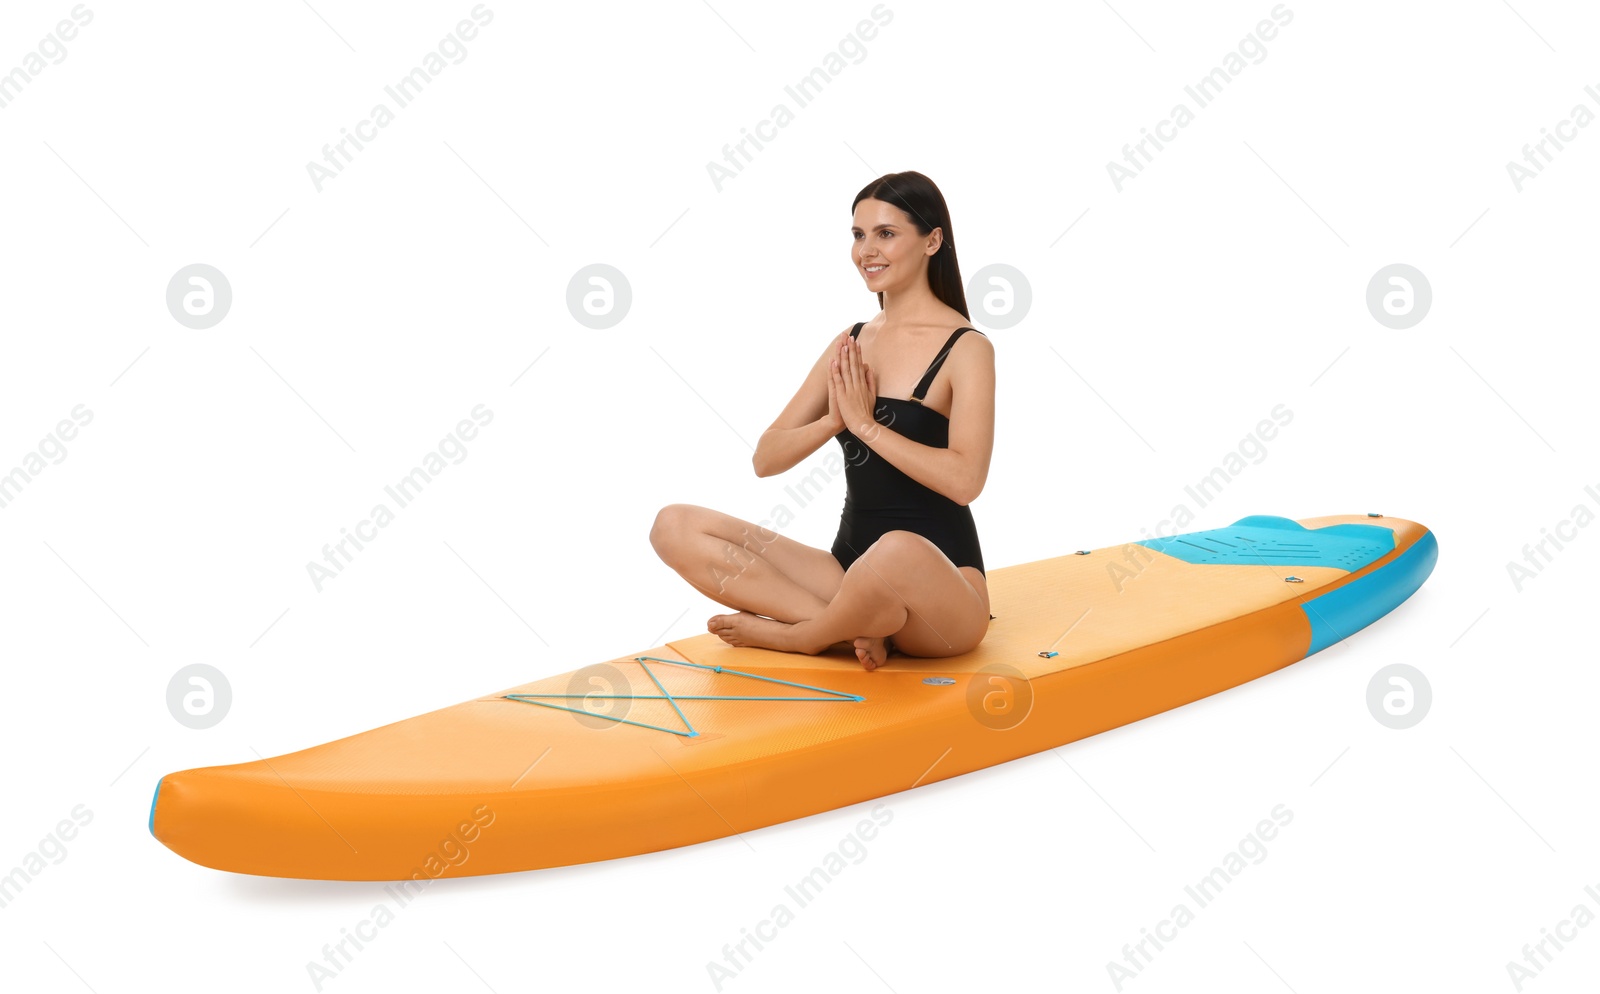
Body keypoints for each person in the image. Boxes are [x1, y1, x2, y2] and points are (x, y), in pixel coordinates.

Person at [649, 171, 994, 671]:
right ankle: (850, 628)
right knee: (673, 525)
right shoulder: (850, 342)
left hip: (942, 594)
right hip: (845, 571)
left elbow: (966, 481)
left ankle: (803, 636)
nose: (867, 251)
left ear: (932, 241)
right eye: (858, 235)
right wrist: (835, 421)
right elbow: (766, 458)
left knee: (895, 551)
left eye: (886, 234)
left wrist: (868, 426)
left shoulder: (968, 349)